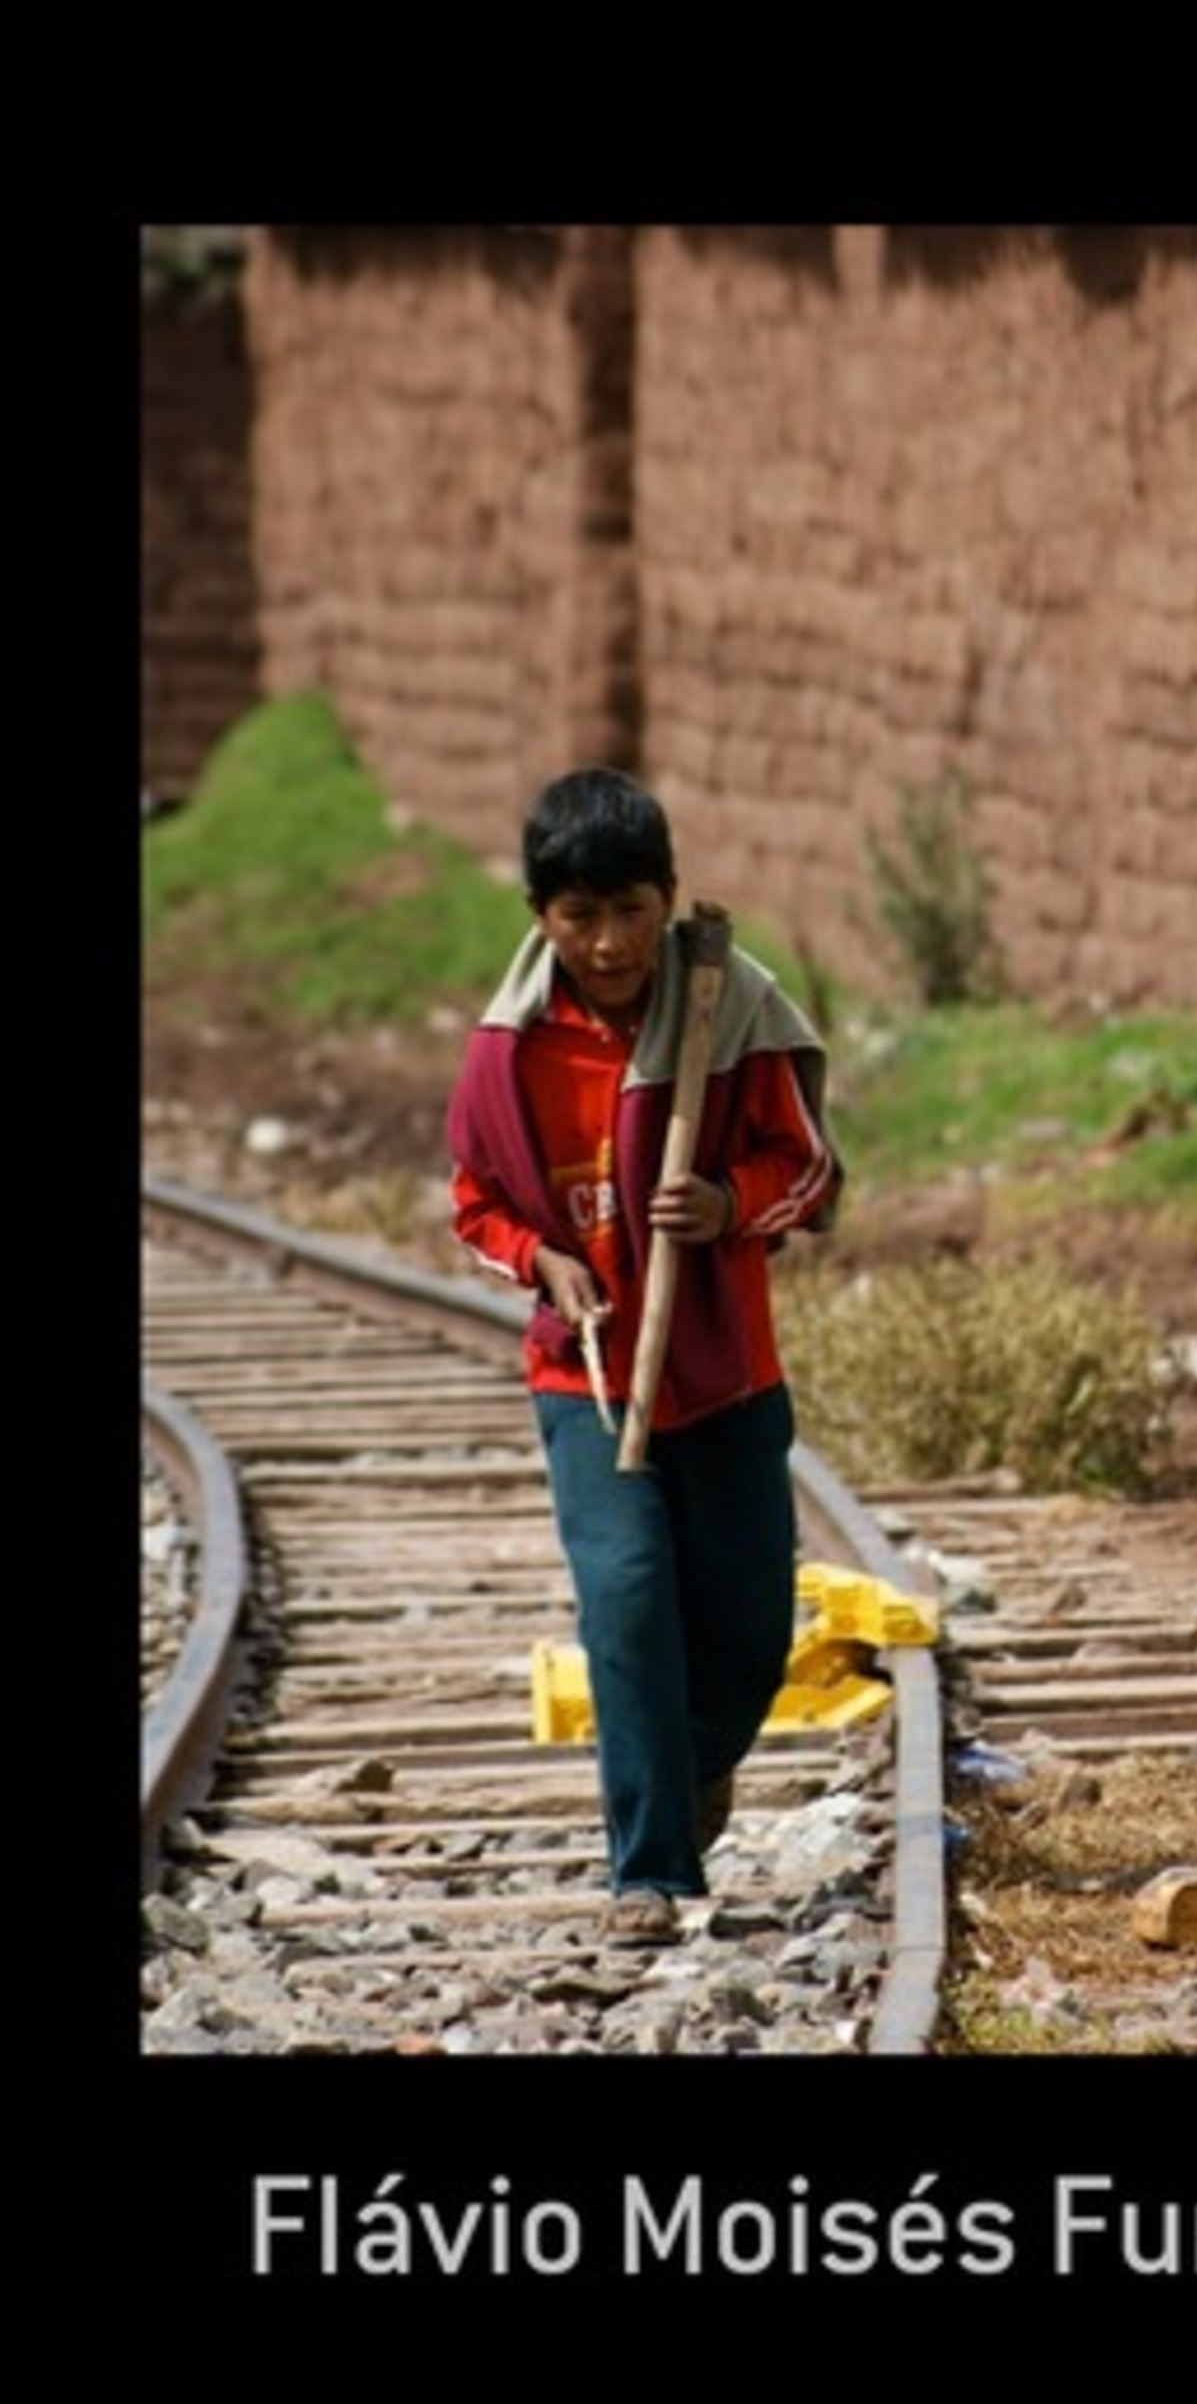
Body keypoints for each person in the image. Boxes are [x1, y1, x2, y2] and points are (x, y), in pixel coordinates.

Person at [448, 767, 839, 1948]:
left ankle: (691, 1769)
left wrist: (728, 1203)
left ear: (668, 899)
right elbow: (474, 1205)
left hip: (724, 1371)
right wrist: (542, 1264)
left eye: (630, 912)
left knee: (749, 1627)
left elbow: (808, 1167)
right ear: (540, 919)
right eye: (579, 919)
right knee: (624, 1607)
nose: (609, 944)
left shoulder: (733, 1009)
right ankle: (650, 1872)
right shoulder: (508, 1053)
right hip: (589, 1377)